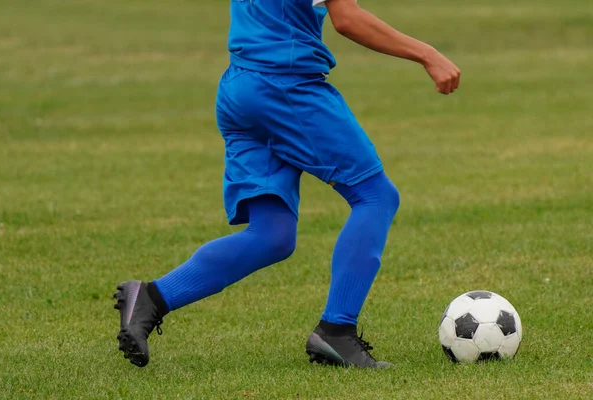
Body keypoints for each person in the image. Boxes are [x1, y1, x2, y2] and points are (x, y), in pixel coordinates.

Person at [113, 0, 460, 369]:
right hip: (287, 88)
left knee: (272, 235)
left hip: (241, 87)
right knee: (376, 197)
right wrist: (427, 53)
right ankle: (336, 332)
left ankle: (151, 297)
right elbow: (347, 18)